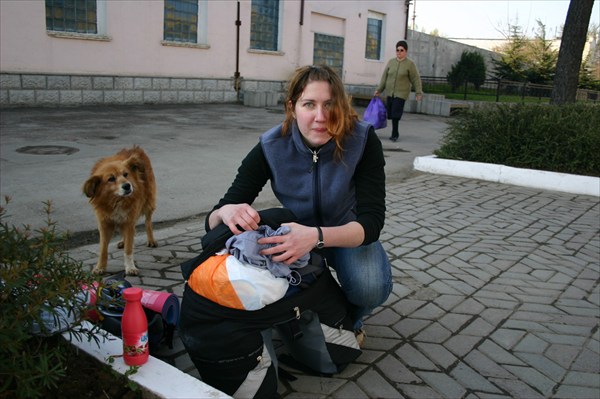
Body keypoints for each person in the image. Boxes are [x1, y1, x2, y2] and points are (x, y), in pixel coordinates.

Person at [206, 65, 392, 341]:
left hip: (346, 233)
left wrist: (316, 237)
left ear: (340, 106)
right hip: (293, 235)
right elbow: (213, 220)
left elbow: (372, 222)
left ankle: (350, 318)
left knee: (369, 286)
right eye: (309, 104)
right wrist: (226, 211)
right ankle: (306, 309)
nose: (321, 117)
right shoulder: (271, 146)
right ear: (292, 107)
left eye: (329, 104)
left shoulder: (362, 140)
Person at [374, 40, 423, 142]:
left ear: (406, 51)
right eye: (397, 50)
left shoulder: (410, 64)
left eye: (401, 50)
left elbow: (415, 78)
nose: (399, 52)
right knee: (389, 113)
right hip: (390, 92)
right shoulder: (391, 62)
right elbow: (384, 77)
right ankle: (376, 128)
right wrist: (379, 90)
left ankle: (395, 133)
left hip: (401, 93)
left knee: (395, 114)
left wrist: (418, 92)